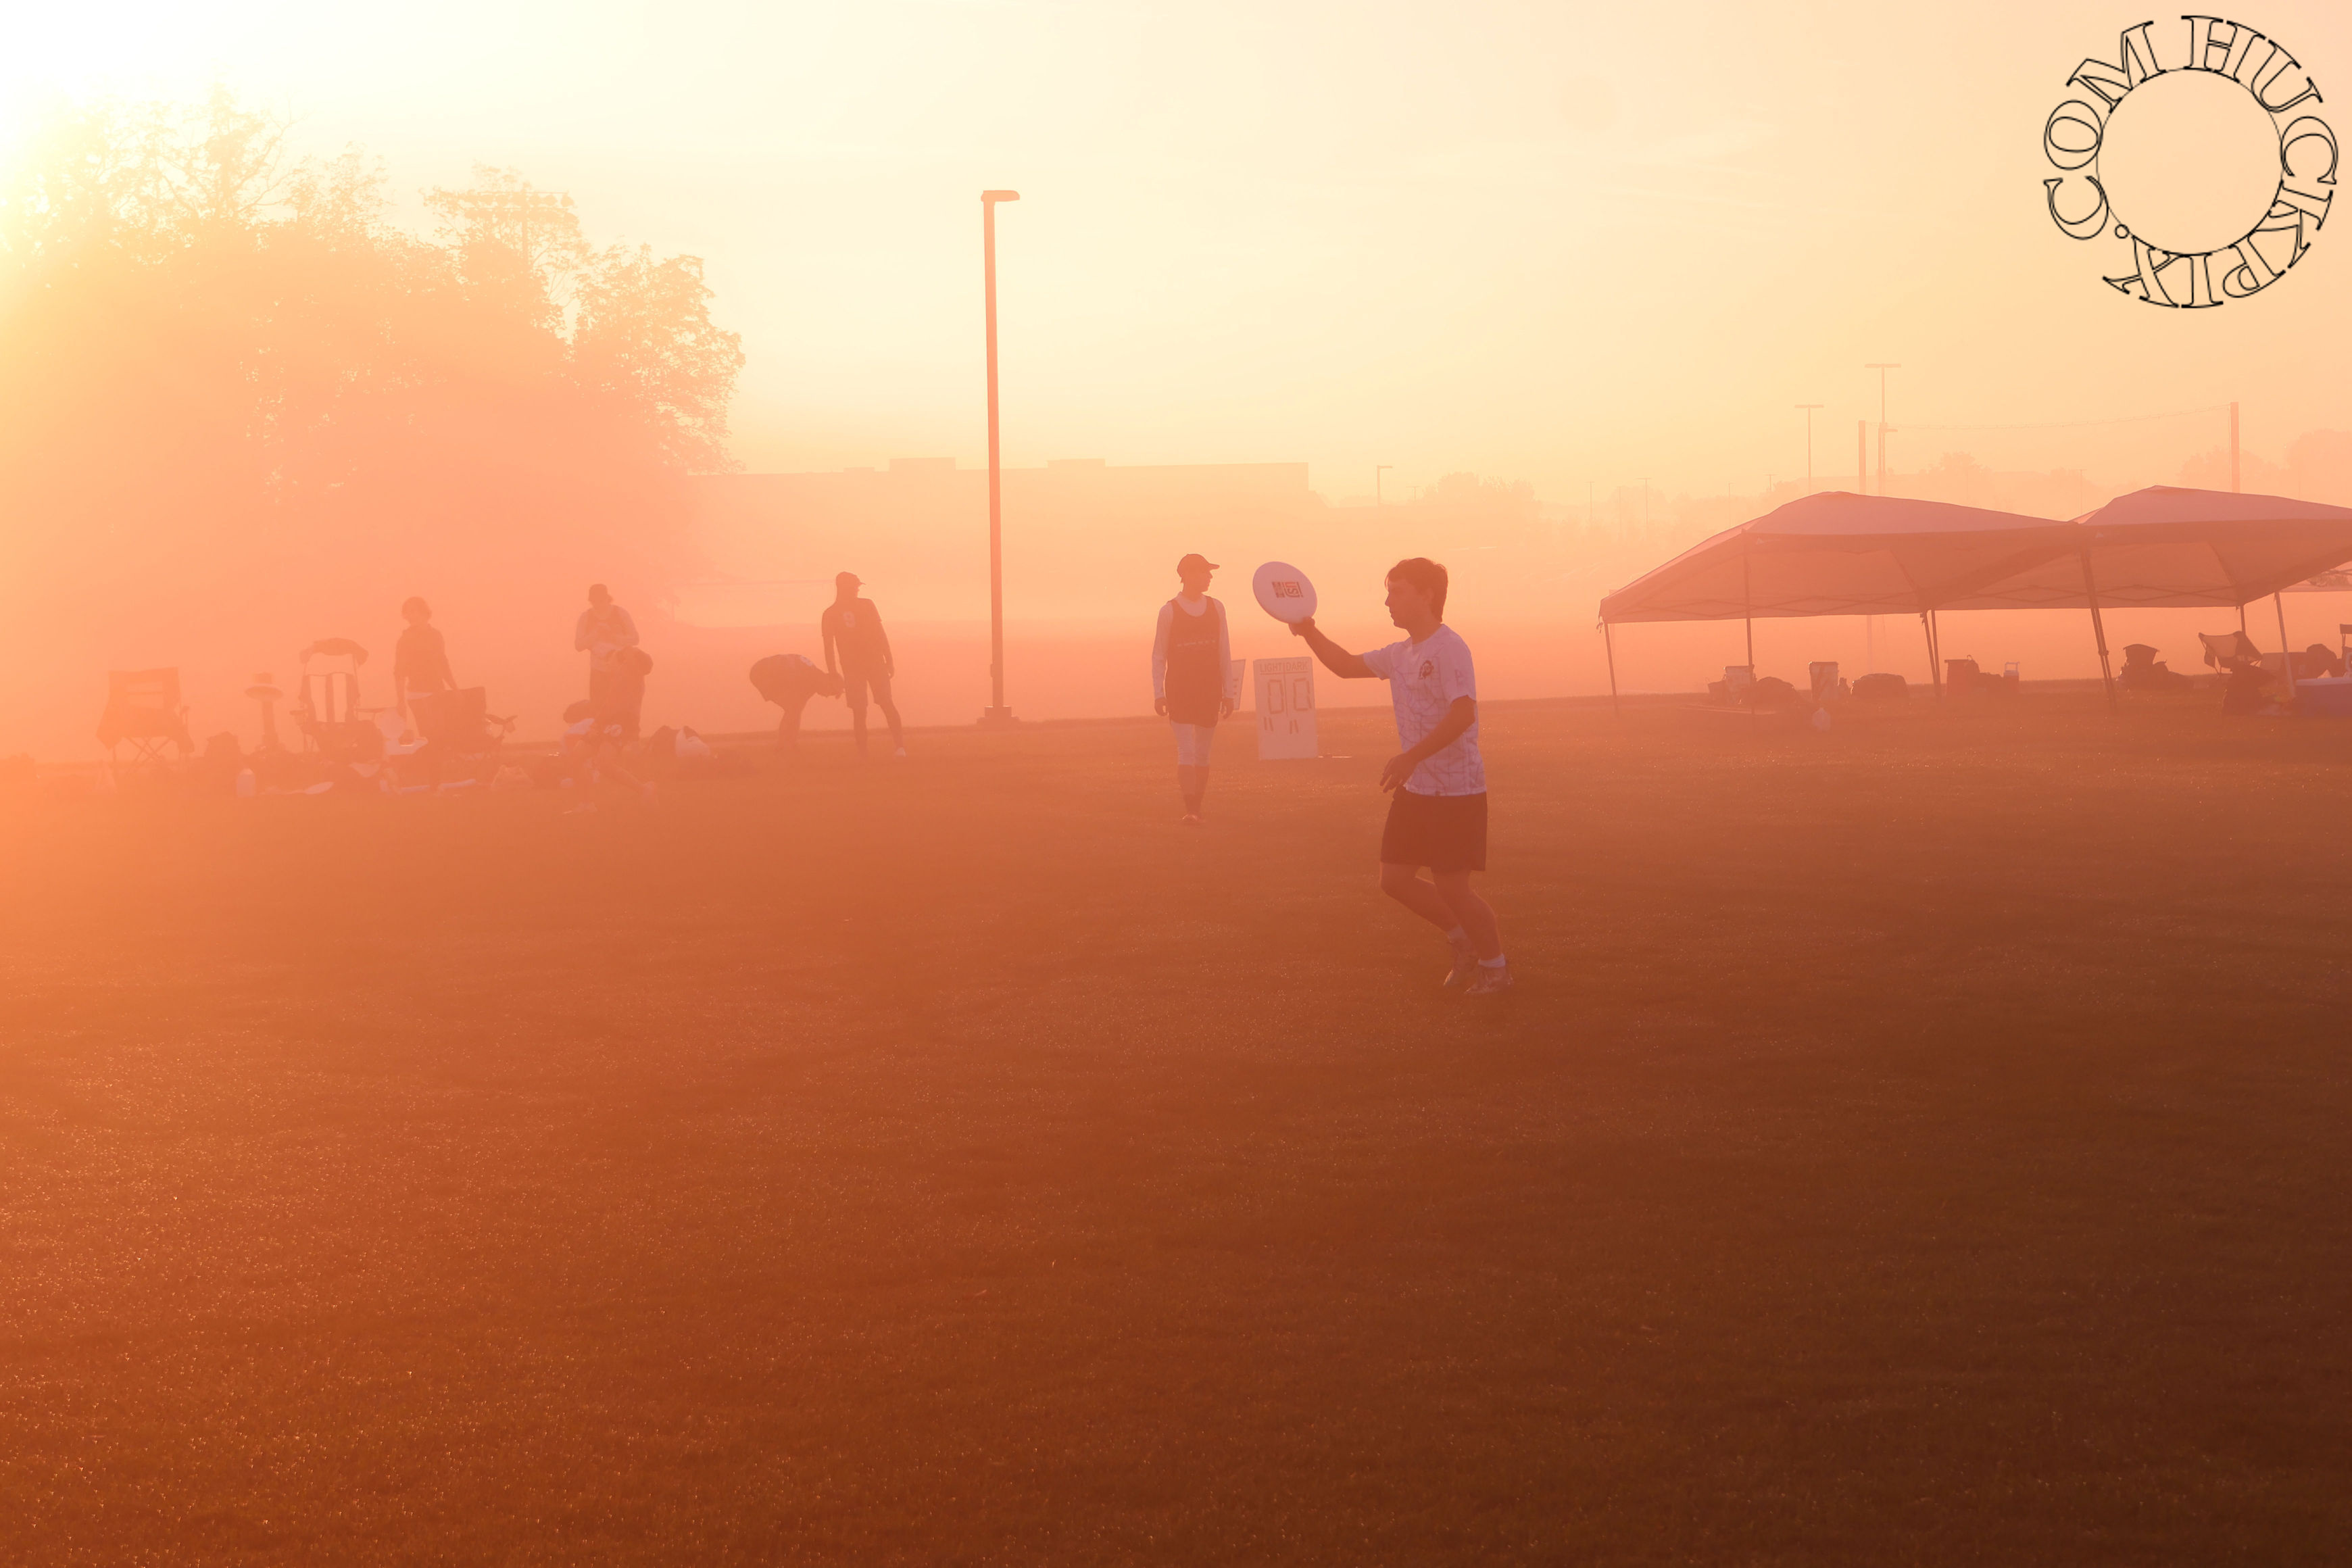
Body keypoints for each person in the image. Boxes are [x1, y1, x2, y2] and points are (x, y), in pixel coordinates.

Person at [1289, 556, 1510, 996]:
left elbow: (1464, 712)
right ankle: (1462, 940)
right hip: (1418, 788)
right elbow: (1347, 665)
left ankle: (1496, 968)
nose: (1388, 601)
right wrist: (1308, 630)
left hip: (1456, 789)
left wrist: (1412, 756)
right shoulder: (1400, 653)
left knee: (1453, 886)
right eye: (1388, 591)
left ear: (1427, 595)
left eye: (1398, 591)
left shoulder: (1449, 648)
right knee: (1394, 880)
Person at [1150, 552, 1237, 824]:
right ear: (1187, 575)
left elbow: (1224, 650)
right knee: (1186, 750)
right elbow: (1159, 655)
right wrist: (1159, 693)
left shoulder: (1217, 608)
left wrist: (1229, 692)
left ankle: (1197, 806)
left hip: (1209, 689)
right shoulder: (1169, 611)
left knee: (1203, 752)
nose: (1210, 577)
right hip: (1180, 690)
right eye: (1204, 572)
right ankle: (1191, 809)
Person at [820, 572, 904, 758]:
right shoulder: (867, 605)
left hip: (852, 667)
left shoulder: (830, 614)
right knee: (885, 704)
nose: (858, 589)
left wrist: (833, 672)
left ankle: (864, 753)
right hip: (873, 662)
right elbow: (880, 633)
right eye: (855, 586)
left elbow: (828, 648)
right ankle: (899, 748)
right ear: (846, 588)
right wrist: (888, 658)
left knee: (860, 711)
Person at [749, 653, 844, 750]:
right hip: (763, 672)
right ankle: (784, 746)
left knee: (794, 710)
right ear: (828, 682)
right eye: (831, 692)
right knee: (793, 710)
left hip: (765, 671)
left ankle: (787, 745)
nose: (827, 696)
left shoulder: (813, 679)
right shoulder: (809, 677)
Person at [574, 583, 639, 712]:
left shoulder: (621, 613)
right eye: (594, 602)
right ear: (590, 601)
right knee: (598, 708)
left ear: (607, 599)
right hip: (598, 671)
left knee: (621, 707)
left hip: (621, 670)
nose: (598, 605)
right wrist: (595, 634)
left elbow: (635, 639)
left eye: (601, 601)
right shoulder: (586, 617)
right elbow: (578, 646)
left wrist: (612, 636)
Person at [392, 596, 456, 724]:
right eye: (408, 612)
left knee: (441, 735)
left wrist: (455, 689)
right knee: (430, 734)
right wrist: (400, 701)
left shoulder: (436, 635)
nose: (410, 616)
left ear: (424, 612)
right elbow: (399, 673)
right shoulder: (405, 640)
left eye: (413, 611)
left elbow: (443, 664)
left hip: (438, 692)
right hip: (417, 694)